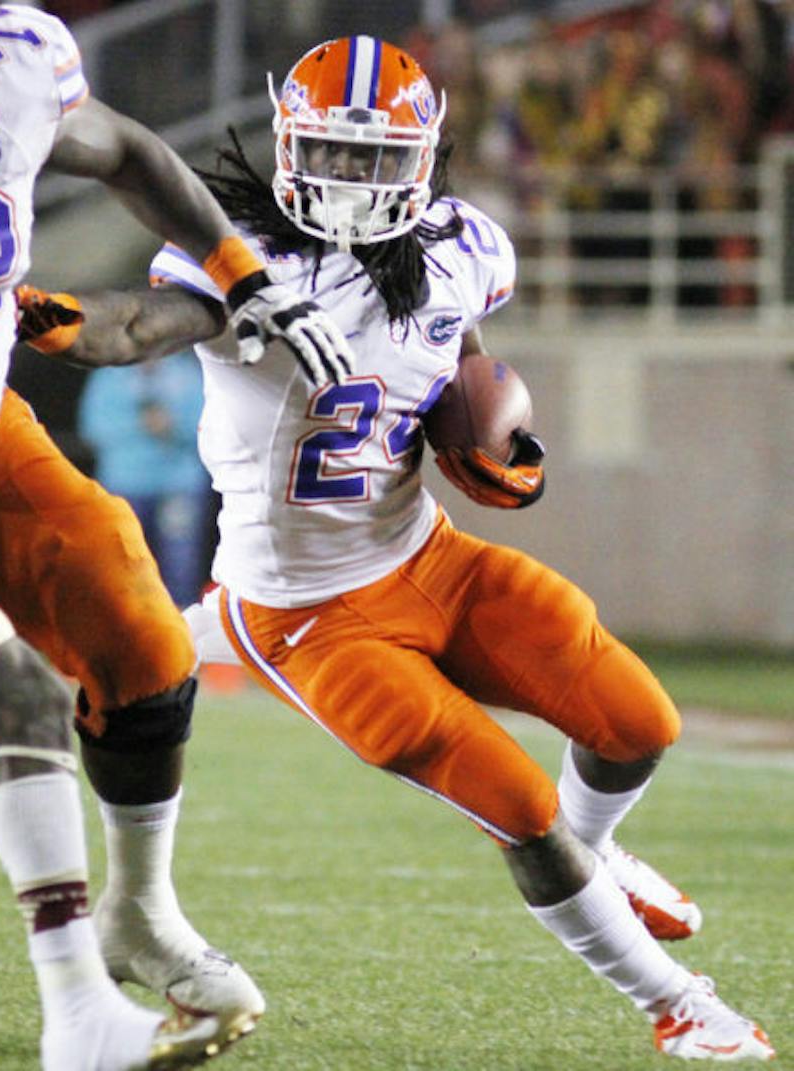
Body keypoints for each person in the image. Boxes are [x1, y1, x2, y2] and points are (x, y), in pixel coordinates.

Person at [41, 35, 776, 1062]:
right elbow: (140, 325)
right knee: (521, 809)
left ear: (425, 157)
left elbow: (458, 360)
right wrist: (55, 317)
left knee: (637, 723)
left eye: (373, 158)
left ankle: (600, 856)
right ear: (288, 145)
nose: (348, 180)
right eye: (331, 154)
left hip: (427, 557)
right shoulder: (241, 260)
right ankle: (677, 1005)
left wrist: (490, 440)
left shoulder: (459, 246)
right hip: (305, 615)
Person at [0, 0, 353, 1055]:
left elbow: (126, 147)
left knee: (141, 637)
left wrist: (240, 273)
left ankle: (137, 913)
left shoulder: (5, 59)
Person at [78, 352, 213, 608]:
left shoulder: (187, 373)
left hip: (178, 485)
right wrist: (141, 426)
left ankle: (181, 629)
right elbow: (92, 427)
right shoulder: (109, 376)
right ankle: (126, 625)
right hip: (126, 484)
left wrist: (173, 427)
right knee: (123, 562)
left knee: (180, 565)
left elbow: (210, 428)